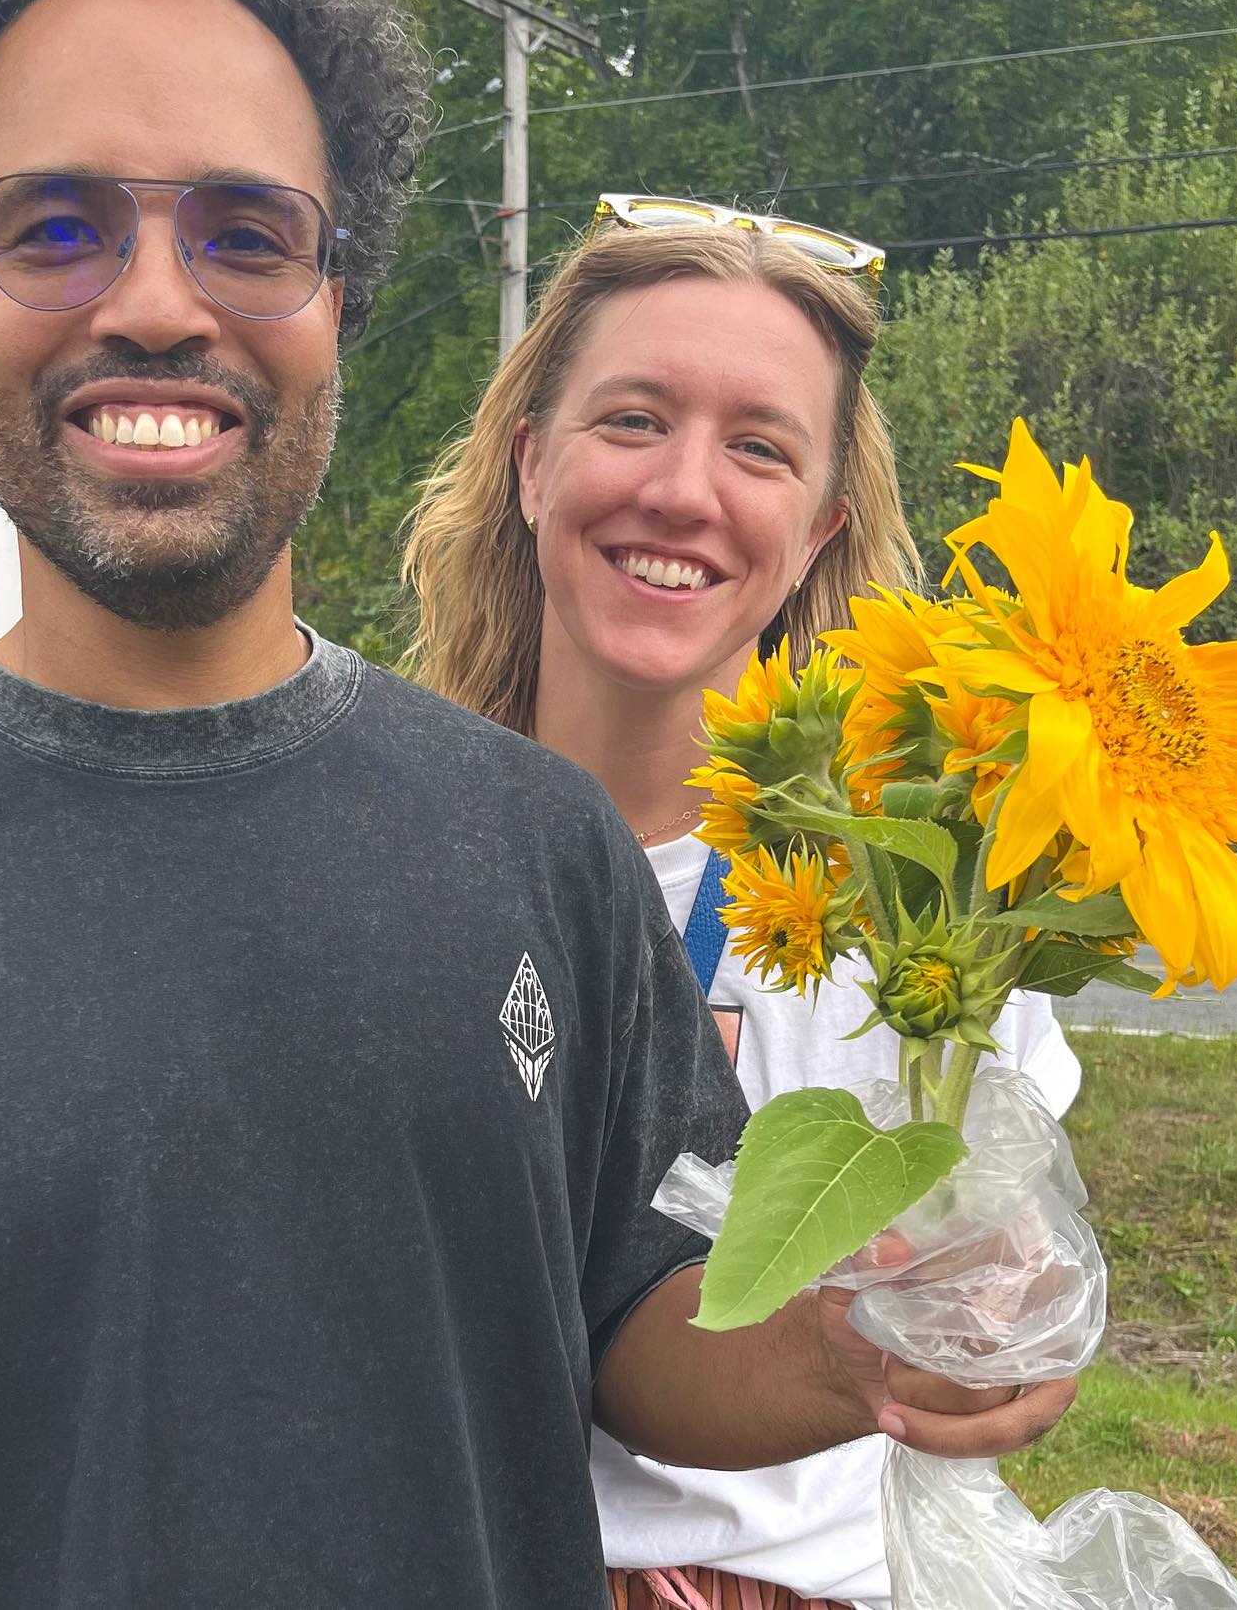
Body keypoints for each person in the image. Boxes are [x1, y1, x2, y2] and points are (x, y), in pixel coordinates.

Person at [0, 0, 1074, 1610]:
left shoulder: (530, 844)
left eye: (249, 234)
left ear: (342, 291)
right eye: (57, 226)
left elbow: (633, 1314)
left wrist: (852, 1349)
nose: (160, 303)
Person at [403, 199, 1083, 1610]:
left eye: (758, 446)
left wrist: (1008, 1307)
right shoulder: (385, 857)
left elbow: (1003, 1249)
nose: (684, 492)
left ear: (820, 520)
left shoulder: (917, 898)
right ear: (532, 464)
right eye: (634, 419)